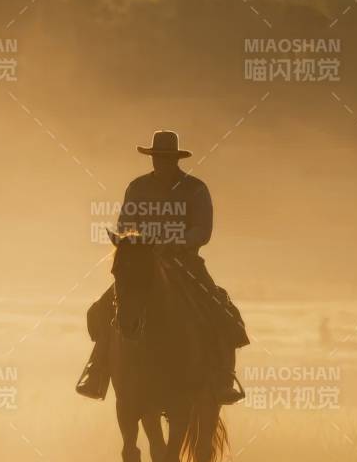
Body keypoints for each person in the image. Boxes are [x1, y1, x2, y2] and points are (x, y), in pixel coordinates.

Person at [76, 130, 247, 404]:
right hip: (142, 264)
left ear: (175, 159)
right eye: (157, 157)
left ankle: (223, 379)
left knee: (221, 311)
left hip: (186, 262)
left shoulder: (196, 189)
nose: (161, 163)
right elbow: (124, 226)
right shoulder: (138, 188)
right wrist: (138, 245)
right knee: (103, 309)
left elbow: (202, 231)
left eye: (165, 158)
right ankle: (98, 371)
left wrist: (176, 243)